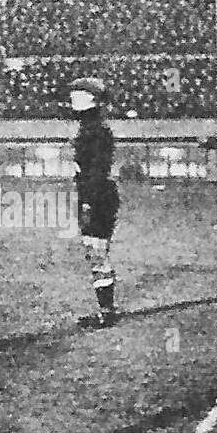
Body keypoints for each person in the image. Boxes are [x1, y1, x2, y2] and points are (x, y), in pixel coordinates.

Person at [70, 77, 121, 328]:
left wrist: (89, 203)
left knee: (97, 252)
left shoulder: (97, 131)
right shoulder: (89, 128)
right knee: (94, 252)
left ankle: (107, 312)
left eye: (77, 93)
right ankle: (106, 309)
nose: (72, 97)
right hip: (91, 195)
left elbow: (98, 171)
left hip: (97, 197)